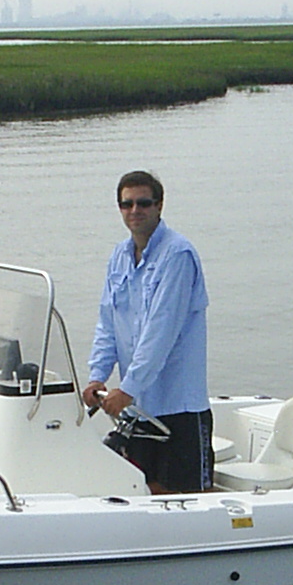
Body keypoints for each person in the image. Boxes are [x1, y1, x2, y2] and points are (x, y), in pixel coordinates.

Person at [82, 169, 212, 493]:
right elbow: (107, 322)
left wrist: (127, 388)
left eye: (143, 203)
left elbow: (161, 332)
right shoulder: (119, 257)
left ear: (159, 205)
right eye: (127, 204)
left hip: (178, 405)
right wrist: (97, 376)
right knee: (142, 488)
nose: (134, 210)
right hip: (138, 407)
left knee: (183, 494)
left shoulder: (178, 255)